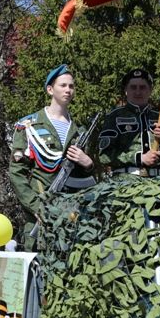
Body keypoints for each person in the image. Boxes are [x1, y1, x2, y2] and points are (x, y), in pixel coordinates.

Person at [9, 64, 95, 250]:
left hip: (70, 210)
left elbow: (85, 178)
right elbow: (17, 173)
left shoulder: (79, 131)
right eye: (63, 85)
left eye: (71, 86)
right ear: (50, 89)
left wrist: (87, 164)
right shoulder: (30, 126)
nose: (68, 90)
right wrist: (36, 206)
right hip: (40, 207)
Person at [98, 68, 160, 177]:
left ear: (150, 90)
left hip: (157, 183)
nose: (137, 92)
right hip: (125, 183)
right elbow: (104, 156)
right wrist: (139, 158)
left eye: (142, 87)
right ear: (126, 90)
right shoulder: (114, 117)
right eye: (133, 87)